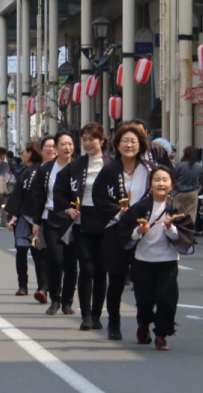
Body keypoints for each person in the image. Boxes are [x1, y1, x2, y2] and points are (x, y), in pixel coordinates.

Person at [113, 165, 195, 349]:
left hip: (167, 261)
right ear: (150, 184)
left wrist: (170, 228)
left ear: (172, 184)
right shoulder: (140, 207)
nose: (161, 183)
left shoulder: (177, 208)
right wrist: (139, 231)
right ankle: (143, 324)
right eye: (157, 180)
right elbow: (126, 232)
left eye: (165, 180)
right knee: (144, 299)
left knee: (166, 299)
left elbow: (185, 235)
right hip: (143, 260)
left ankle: (161, 334)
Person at [92, 122, 156, 340]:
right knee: (116, 279)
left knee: (144, 281)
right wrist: (119, 212)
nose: (129, 145)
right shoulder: (109, 171)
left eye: (134, 141)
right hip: (116, 231)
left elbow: (159, 195)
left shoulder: (149, 170)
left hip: (142, 230)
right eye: (125, 141)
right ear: (117, 145)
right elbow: (99, 198)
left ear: (141, 145)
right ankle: (114, 322)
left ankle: (143, 324)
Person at [57, 123, 109, 330]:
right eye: (84, 139)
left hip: (106, 221)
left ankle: (97, 314)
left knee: (101, 270)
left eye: (92, 139)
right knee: (86, 268)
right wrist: (67, 209)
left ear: (102, 141)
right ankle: (86, 315)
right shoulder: (76, 165)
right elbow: (59, 190)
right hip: (82, 219)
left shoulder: (112, 163)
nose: (87, 143)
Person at [31, 130, 78, 315]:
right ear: (56, 148)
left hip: (73, 220)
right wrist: (36, 222)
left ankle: (68, 302)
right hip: (51, 218)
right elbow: (38, 196)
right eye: (63, 144)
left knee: (71, 263)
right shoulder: (46, 169)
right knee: (55, 260)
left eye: (70, 144)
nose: (67, 147)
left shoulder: (78, 168)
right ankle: (55, 300)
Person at [5, 140, 49, 299]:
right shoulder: (27, 170)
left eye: (24, 151)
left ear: (30, 153)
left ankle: (40, 287)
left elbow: (24, 196)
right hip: (24, 219)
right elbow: (19, 195)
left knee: (34, 252)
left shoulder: (37, 170)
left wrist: (14, 215)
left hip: (32, 219)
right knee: (24, 251)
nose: (22, 154)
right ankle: (27, 286)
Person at [172, 146, 201, 223]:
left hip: (179, 192)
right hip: (193, 192)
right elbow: (201, 179)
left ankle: (178, 230)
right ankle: (189, 230)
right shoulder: (199, 166)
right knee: (191, 214)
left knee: (179, 214)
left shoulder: (180, 165)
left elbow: (174, 178)